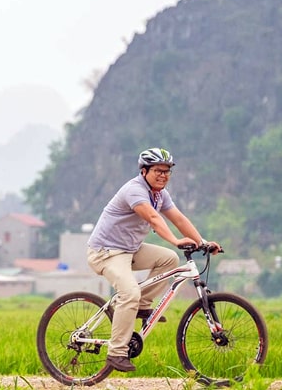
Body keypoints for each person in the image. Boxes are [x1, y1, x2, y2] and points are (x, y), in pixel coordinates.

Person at [86, 148, 220, 373]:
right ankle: (116, 352)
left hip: (130, 250)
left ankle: (141, 306)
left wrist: (202, 241)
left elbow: (178, 218)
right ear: (144, 171)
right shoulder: (135, 191)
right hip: (106, 252)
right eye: (158, 170)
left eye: (167, 172)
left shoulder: (160, 194)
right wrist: (176, 240)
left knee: (169, 259)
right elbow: (153, 218)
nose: (163, 175)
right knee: (129, 293)